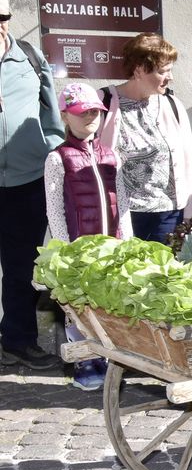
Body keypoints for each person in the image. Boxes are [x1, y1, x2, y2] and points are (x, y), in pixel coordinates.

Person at [45, 83, 134, 389]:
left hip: (110, 247)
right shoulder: (58, 159)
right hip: (78, 249)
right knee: (79, 311)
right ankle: (86, 361)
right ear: (65, 116)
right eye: (82, 113)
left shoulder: (110, 155)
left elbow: (122, 203)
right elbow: (54, 209)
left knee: (108, 305)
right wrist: (65, 252)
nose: (90, 118)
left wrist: (128, 241)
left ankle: (110, 359)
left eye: (95, 111)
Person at [0, 0, 65, 370]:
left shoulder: (28, 55)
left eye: (3, 17)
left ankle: (19, 340)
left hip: (26, 178)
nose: (0, 25)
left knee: (23, 266)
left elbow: (50, 111)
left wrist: (55, 157)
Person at [94, 33, 192, 244]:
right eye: (163, 71)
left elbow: (187, 162)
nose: (170, 77)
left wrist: (190, 212)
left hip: (167, 215)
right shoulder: (104, 102)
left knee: (165, 274)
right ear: (139, 69)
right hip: (121, 214)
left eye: (170, 70)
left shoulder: (172, 105)